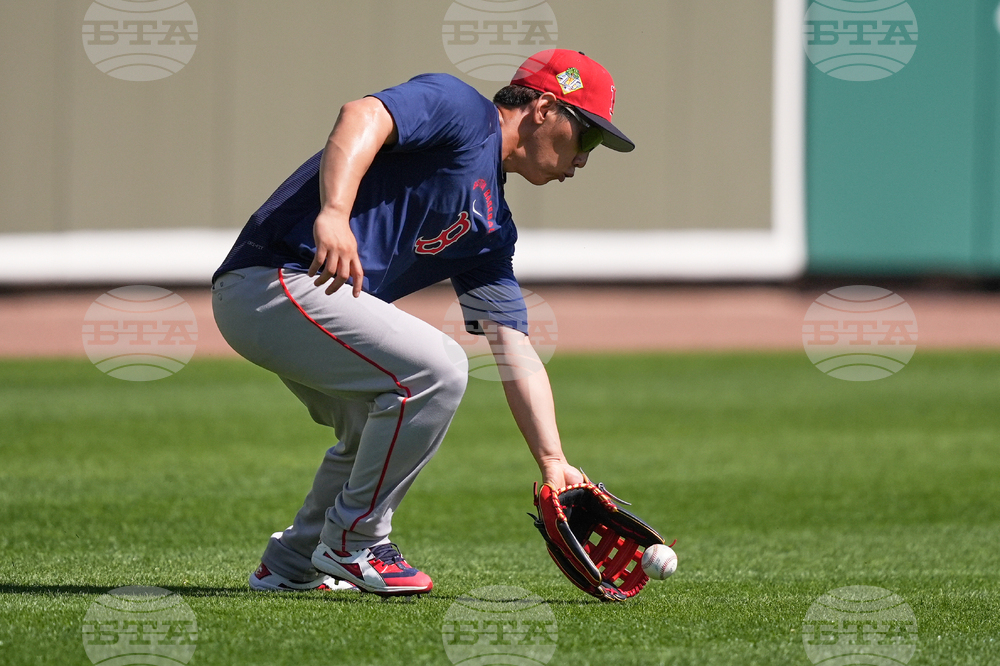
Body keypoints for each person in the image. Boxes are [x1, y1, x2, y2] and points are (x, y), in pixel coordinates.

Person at [211, 48, 635, 596]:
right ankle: (355, 542)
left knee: (375, 418)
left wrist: (555, 462)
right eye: (588, 135)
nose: (585, 156)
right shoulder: (463, 109)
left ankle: (292, 563)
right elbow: (360, 115)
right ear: (543, 109)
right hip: (272, 278)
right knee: (437, 368)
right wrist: (334, 213)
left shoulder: (491, 229)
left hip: (302, 299)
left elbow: (513, 347)